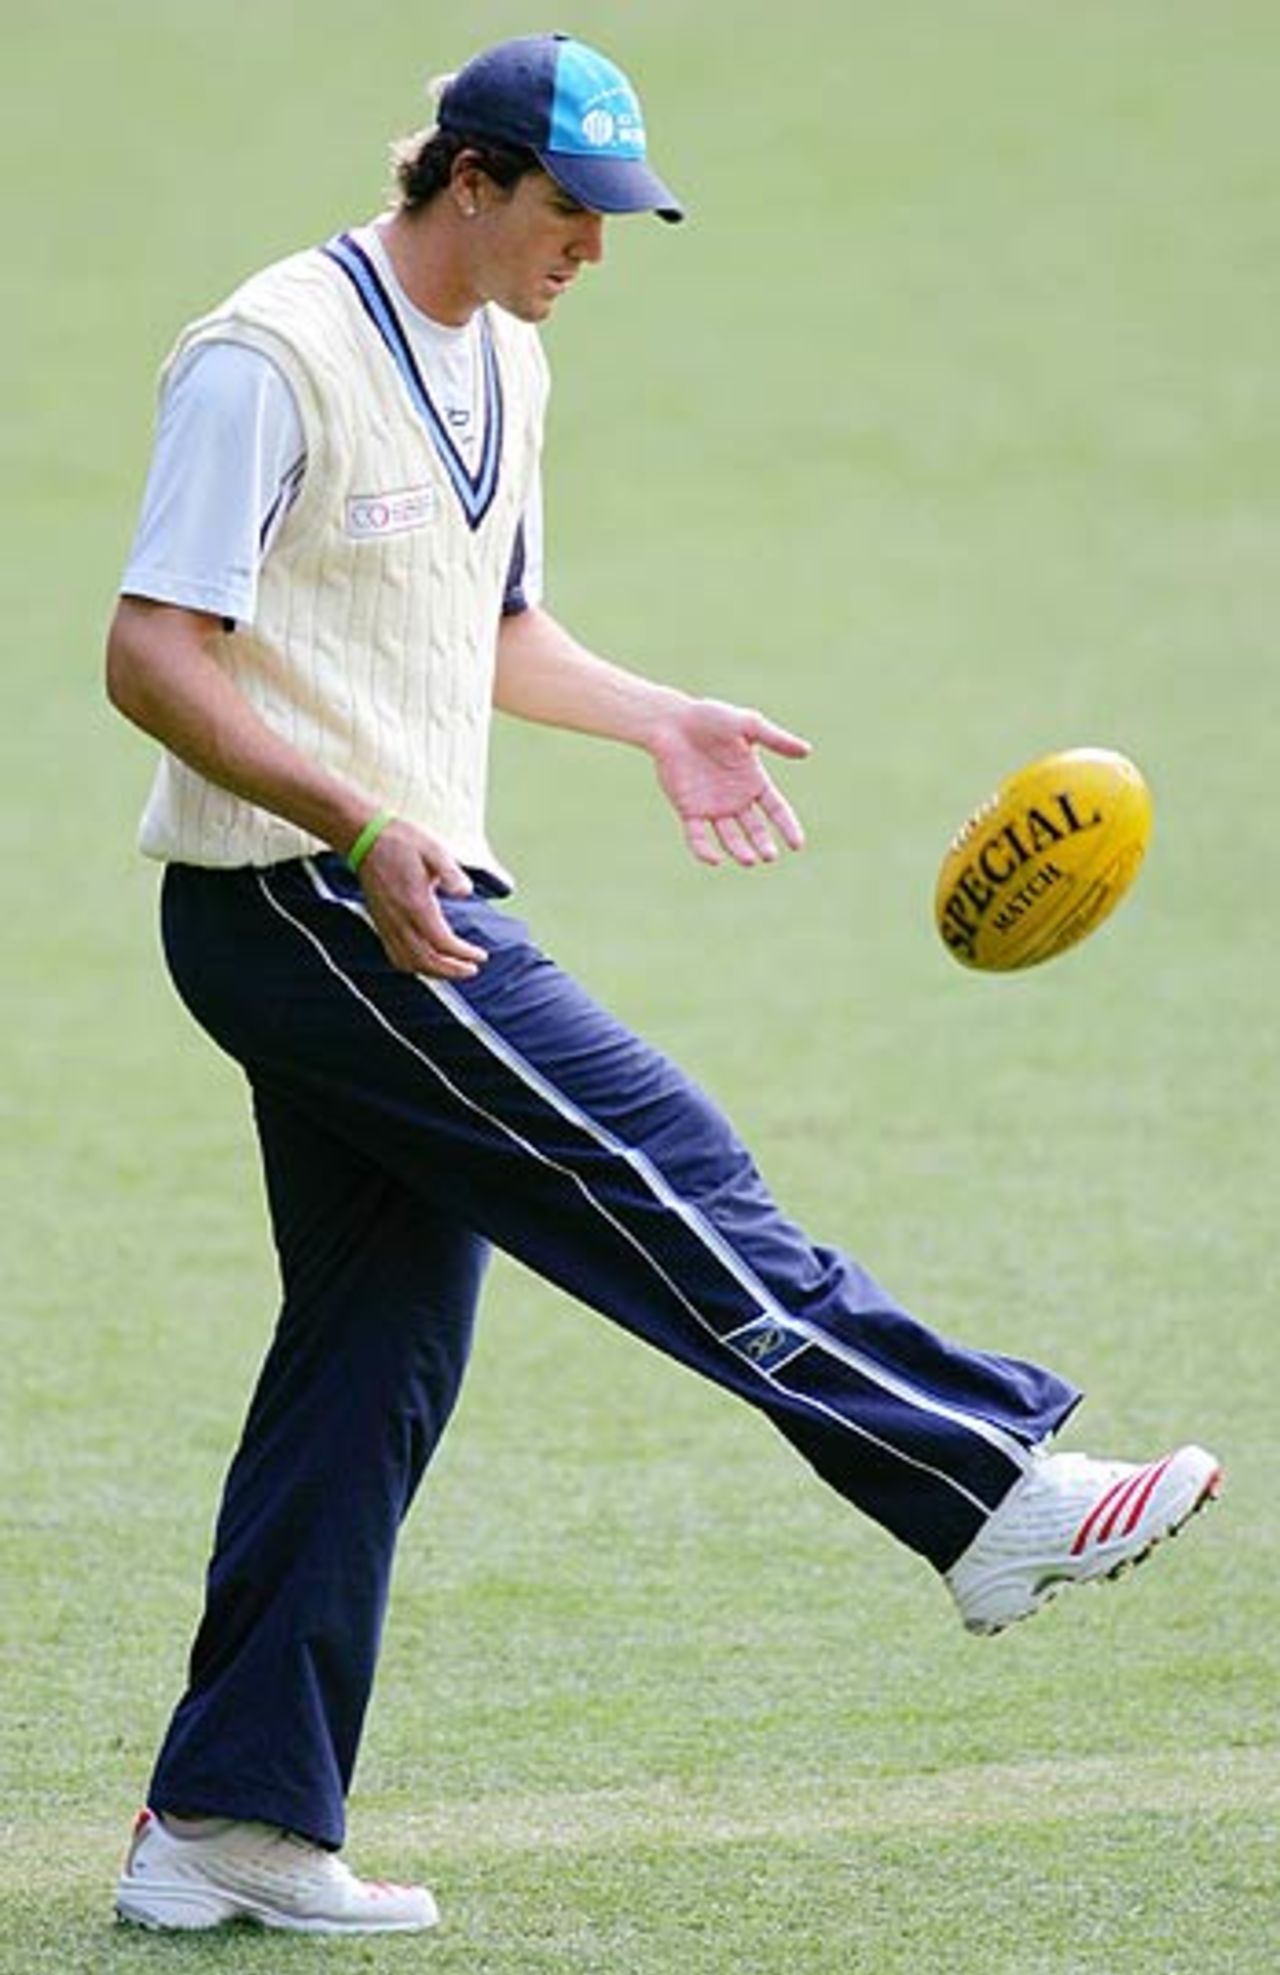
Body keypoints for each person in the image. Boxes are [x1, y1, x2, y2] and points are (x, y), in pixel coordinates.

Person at [105, 31, 1221, 1937]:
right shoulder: (264, 357)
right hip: (308, 903)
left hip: (388, 891)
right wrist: (365, 825)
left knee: (371, 1362)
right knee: (663, 1162)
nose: (594, 252)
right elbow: (150, 652)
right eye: (569, 212)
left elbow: (495, 624)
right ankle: (989, 1488)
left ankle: (227, 1817)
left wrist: (660, 721)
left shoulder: (509, 357)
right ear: (467, 179)